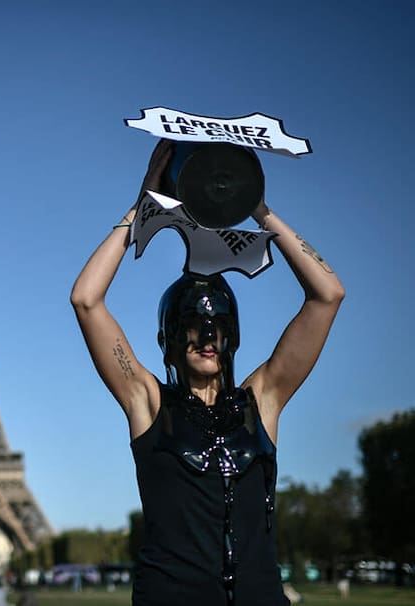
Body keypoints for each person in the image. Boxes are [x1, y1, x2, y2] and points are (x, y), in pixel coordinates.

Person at [70, 139, 344, 606]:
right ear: (170, 340)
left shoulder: (261, 402)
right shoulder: (149, 402)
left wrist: (254, 204)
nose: (207, 337)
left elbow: (328, 294)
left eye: (217, 326)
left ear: (231, 335)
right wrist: (141, 207)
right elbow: (86, 299)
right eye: (192, 327)